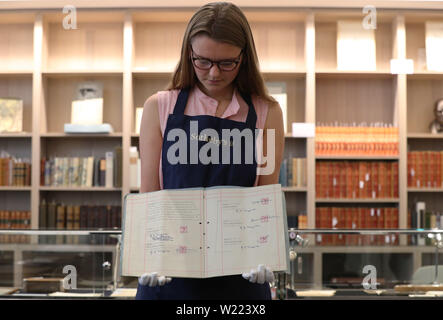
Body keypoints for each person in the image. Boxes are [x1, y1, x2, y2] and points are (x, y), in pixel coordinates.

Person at [137, 1, 284, 300]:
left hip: (241, 273)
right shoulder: (159, 106)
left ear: (245, 58)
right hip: (171, 271)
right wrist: (147, 255)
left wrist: (265, 254)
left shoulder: (267, 112)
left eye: (227, 62)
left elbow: (264, 200)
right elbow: (150, 197)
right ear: (188, 54)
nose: (214, 73)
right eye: (202, 61)